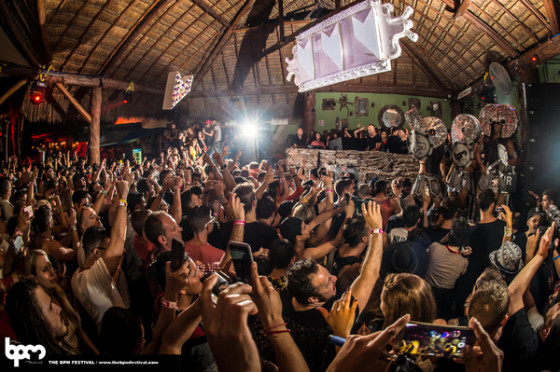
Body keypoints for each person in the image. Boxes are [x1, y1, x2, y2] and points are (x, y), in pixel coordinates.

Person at [281, 201, 383, 372]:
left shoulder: (286, 296)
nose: (335, 278)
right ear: (313, 298)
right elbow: (369, 276)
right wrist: (377, 230)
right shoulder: (336, 312)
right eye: (328, 281)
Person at [71, 181, 131, 330]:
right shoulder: (93, 277)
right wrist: (123, 197)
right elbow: (119, 239)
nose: (111, 251)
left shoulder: (76, 275)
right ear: (96, 252)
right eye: (108, 248)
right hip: (120, 334)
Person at [26, 249, 99, 354]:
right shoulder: (39, 311)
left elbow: (78, 330)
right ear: (34, 278)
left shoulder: (58, 292)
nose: (52, 272)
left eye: (50, 266)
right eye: (44, 270)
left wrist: (96, 352)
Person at [425, 217, 471, 319]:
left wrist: (443, 240)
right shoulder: (463, 261)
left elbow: (433, 248)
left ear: (450, 234)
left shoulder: (434, 247)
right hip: (446, 300)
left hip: (427, 292)